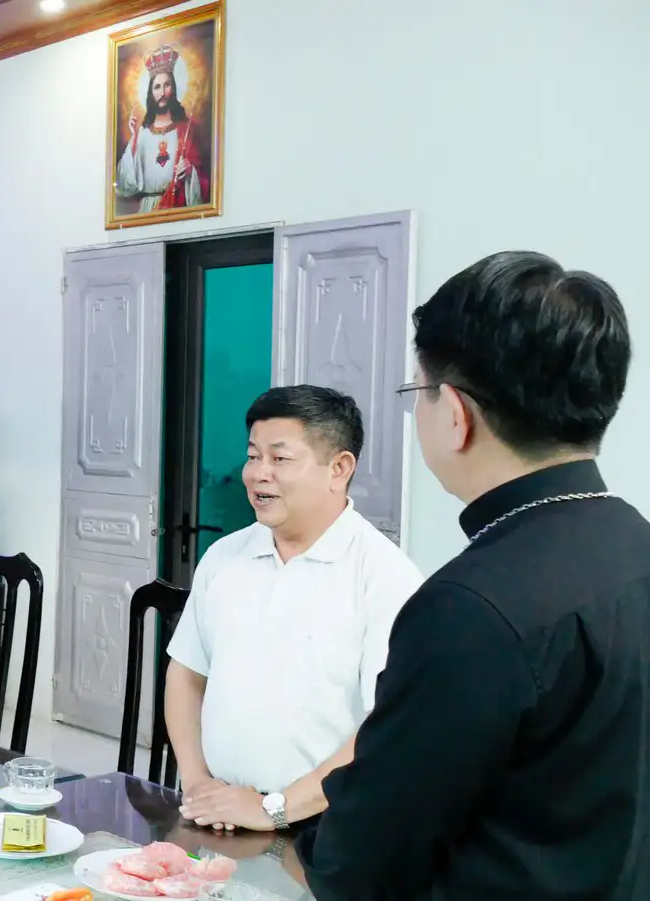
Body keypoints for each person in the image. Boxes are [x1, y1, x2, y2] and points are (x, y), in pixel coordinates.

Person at [296, 252, 650, 900]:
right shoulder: (636, 545)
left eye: (418, 394)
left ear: (456, 414)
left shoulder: (469, 606)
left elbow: (364, 858)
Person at [163, 386, 422, 835]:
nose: (258, 474)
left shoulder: (384, 576)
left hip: (328, 829)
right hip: (222, 816)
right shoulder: (224, 557)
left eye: (280, 458)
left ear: (339, 469)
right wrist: (197, 780)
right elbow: (186, 674)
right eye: (253, 456)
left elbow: (388, 726)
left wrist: (275, 809)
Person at [115, 44, 209, 213]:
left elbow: (205, 181)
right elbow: (124, 185)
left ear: (173, 88)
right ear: (150, 92)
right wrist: (134, 138)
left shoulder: (186, 131)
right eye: (157, 87)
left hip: (176, 207)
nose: (162, 92)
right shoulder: (142, 134)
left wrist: (190, 171)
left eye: (167, 85)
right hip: (147, 211)